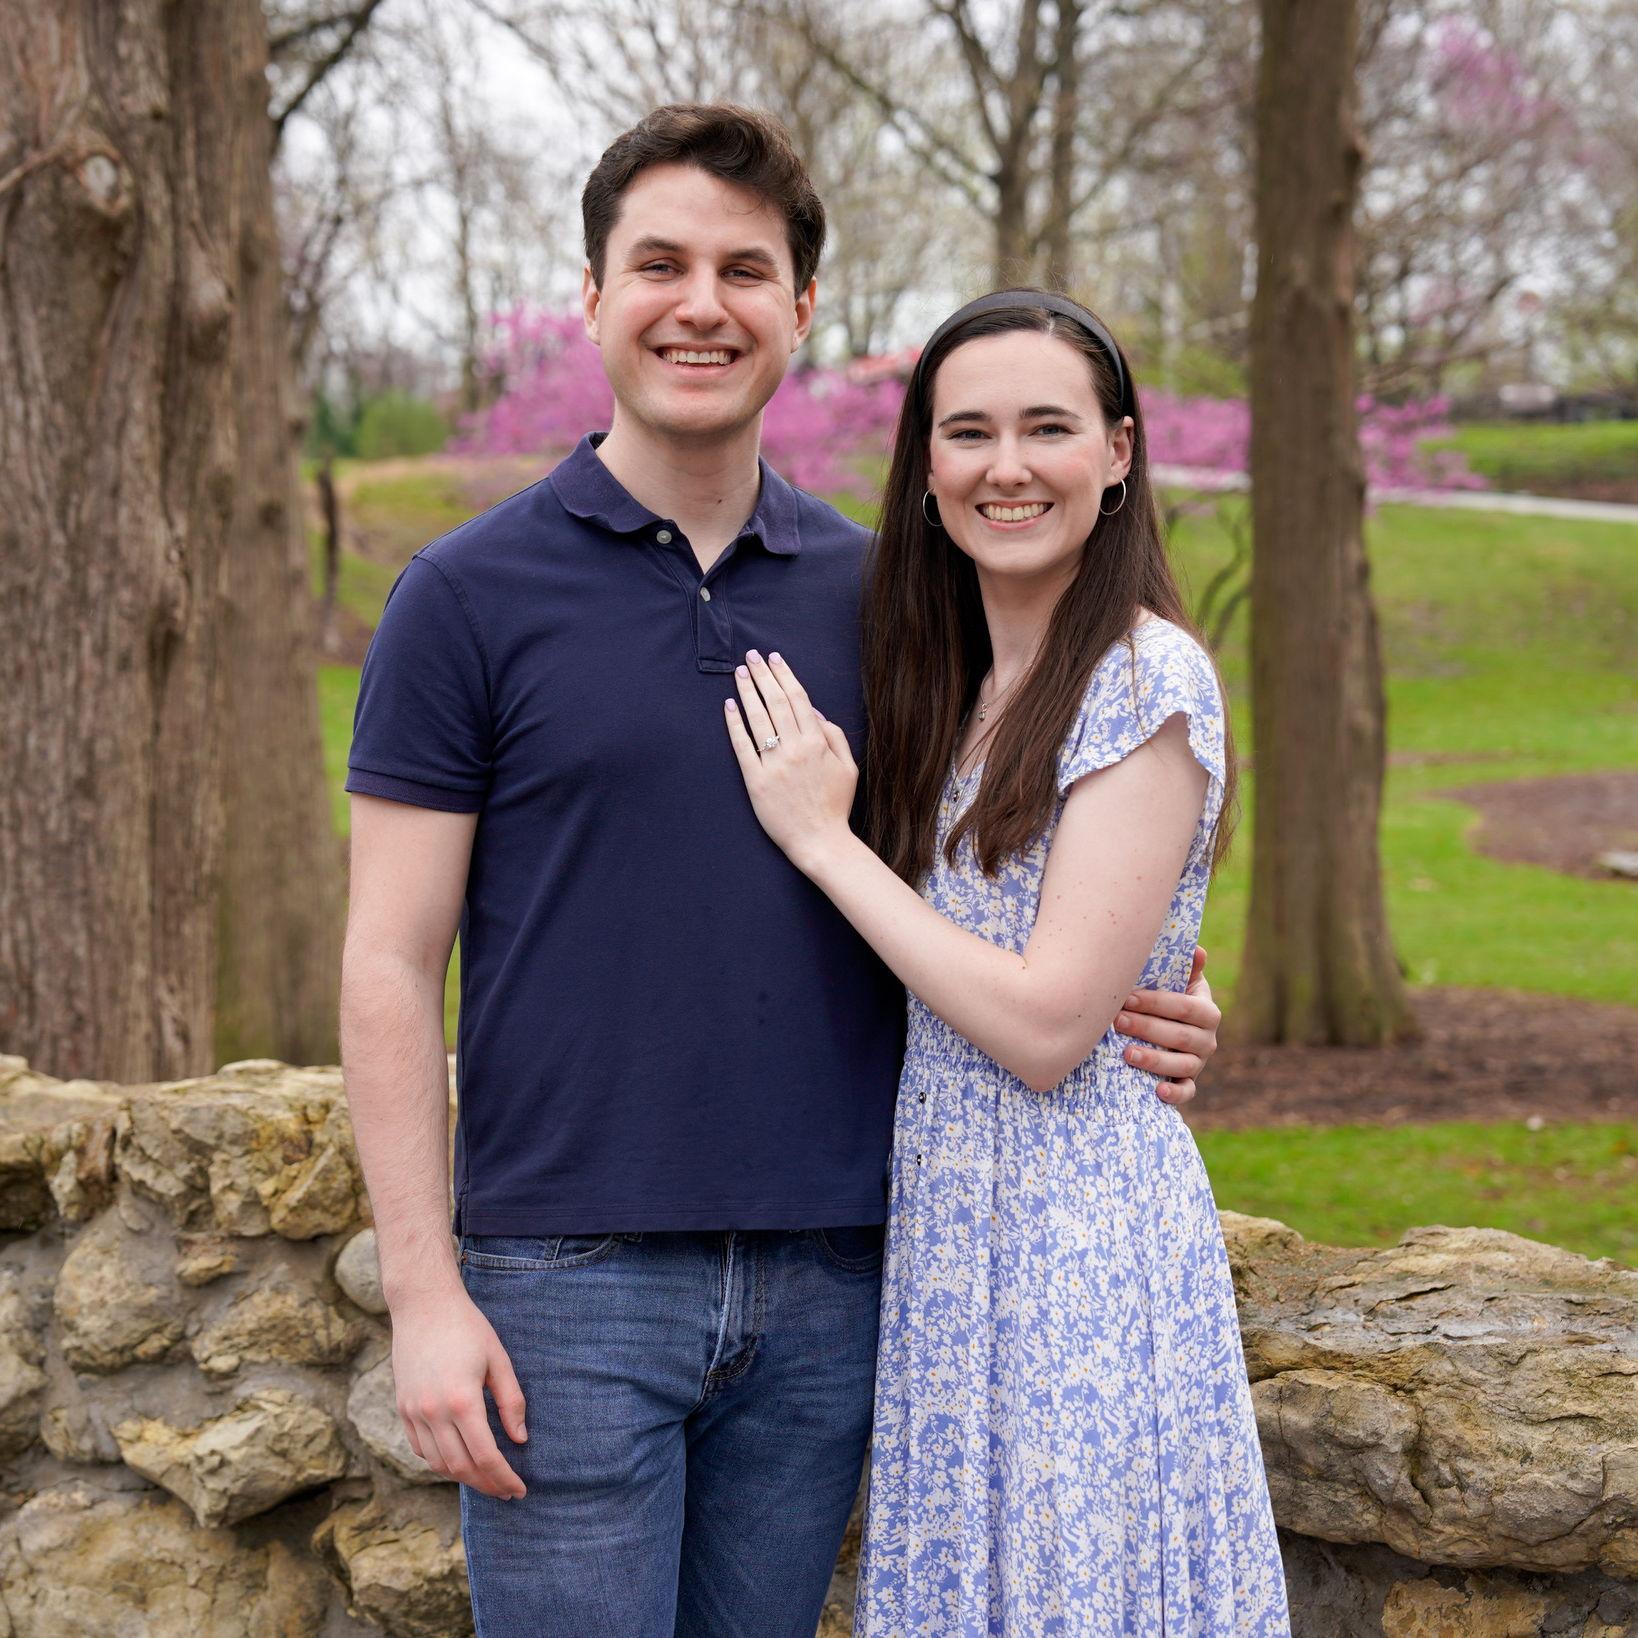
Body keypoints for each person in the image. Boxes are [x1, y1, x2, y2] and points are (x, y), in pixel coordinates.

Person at [339, 106, 1226, 1637]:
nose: (702, 304)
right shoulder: (464, 598)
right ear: (592, 296)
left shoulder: (894, 602)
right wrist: (424, 1294)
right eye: (659, 264)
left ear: (801, 307)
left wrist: (1169, 994)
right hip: (568, 1278)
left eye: (744, 270)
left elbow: (1018, 852)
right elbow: (386, 959)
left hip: (841, 1275)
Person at [724, 290, 1289, 1633]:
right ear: (925, 466)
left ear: (1119, 450)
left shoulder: (1145, 680)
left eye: (1048, 427)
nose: (1007, 466)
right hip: (950, 1230)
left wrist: (823, 840)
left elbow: (1044, 1029)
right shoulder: (947, 676)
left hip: (1079, 1245)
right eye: (968, 431)